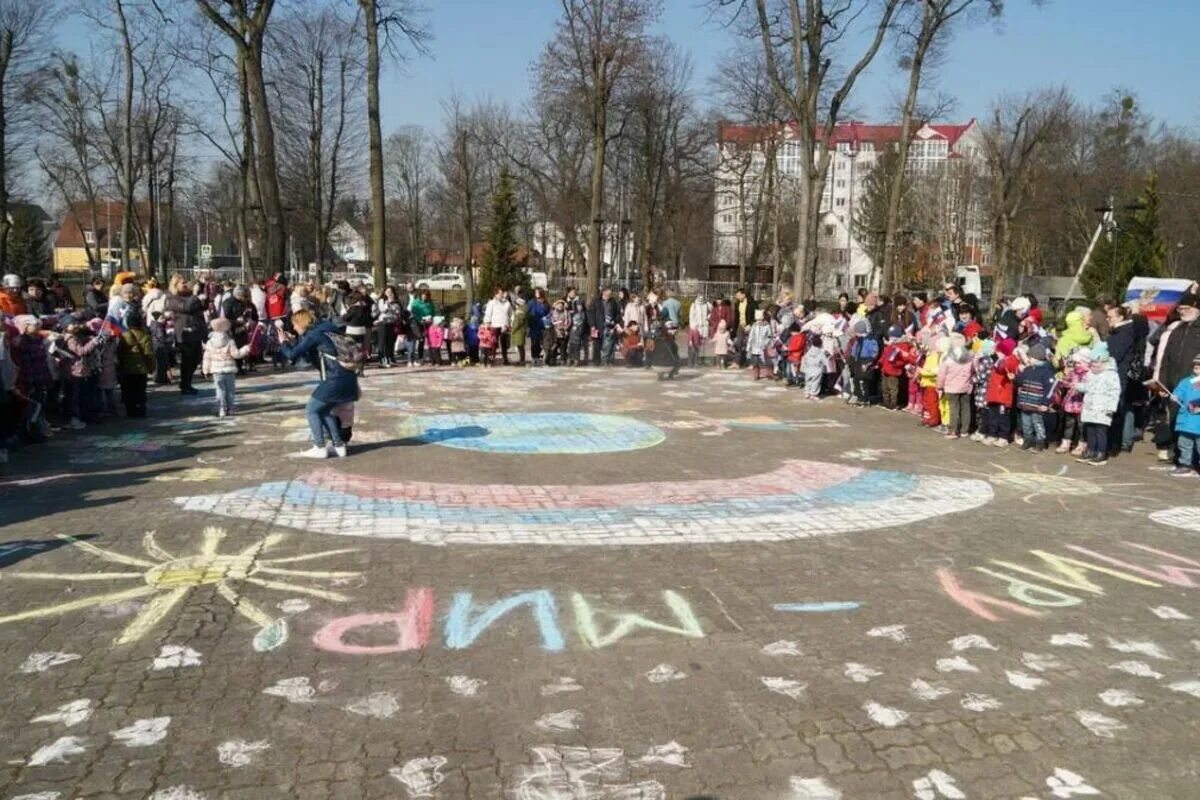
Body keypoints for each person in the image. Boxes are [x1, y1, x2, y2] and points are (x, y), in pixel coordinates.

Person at [279, 309, 359, 458]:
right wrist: (293, 342)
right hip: (348, 377)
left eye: (295, 325)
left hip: (334, 380)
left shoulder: (314, 335)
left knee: (311, 410)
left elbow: (292, 355)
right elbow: (306, 354)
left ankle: (320, 447)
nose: (295, 329)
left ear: (301, 322)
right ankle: (339, 446)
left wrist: (283, 342)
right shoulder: (327, 330)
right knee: (324, 410)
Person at [1076, 342, 1122, 466]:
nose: (1094, 365)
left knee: (1100, 431)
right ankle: (1091, 450)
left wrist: (1111, 407)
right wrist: (1078, 386)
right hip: (1090, 407)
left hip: (1102, 408)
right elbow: (1087, 387)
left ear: (1104, 362)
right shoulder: (1090, 374)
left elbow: (1115, 391)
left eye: (1097, 363)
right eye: (1092, 363)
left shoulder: (1111, 375)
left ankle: (1101, 453)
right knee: (1090, 430)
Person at [202, 318, 252, 418]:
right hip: (229, 370)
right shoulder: (230, 341)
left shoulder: (210, 343)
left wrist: (205, 370)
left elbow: (207, 357)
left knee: (220, 391)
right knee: (230, 391)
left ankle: (221, 409)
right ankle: (230, 408)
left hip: (216, 371)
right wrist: (245, 349)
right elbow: (236, 354)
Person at [163, 276, 205, 395]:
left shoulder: (189, 296)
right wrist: (195, 295)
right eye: (183, 283)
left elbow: (201, 306)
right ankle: (185, 384)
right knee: (187, 360)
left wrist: (201, 286)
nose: (186, 284)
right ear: (175, 285)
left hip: (195, 331)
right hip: (184, 333)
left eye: (186, 282)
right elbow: (187, 307)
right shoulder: (172, 298)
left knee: (196, 358)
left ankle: (187, 382)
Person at [1014, 342, 1055, 451]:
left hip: (1037, 404)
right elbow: (1020, 381)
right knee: (1026, 424)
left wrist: (1045, 403)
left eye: (1030, 357)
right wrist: (1016, 377)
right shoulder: (1028, 370)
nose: (1028, 359)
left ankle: (1040, 442)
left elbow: (1050, 389)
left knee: (1037, 423)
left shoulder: (1046, 372)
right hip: (1025, 402)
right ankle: (1028, 440)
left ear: (1036, 358)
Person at [118, 310, 155, 419]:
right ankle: (141, 411)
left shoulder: (123, 336)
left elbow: (119, 353)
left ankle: (130, 411)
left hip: (126, 369)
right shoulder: (145, 336)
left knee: (128, 390)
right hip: (141, 369)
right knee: (140, 391)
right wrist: (151, 368)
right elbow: (149, 354)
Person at [1168, 354, 1200, 477]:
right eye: (1195, 365)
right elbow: (1178, 392)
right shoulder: (1186, 381)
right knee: (1184, 444)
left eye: (1199, 365)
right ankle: (1186, 465)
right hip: (1186, 419)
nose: (1196, 367)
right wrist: (1174, 397)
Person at [587, 287, 621, 366]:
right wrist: (592, 325)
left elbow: (618, 313)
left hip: (610, 326)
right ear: (603, 293)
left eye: (610, 294)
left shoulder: (613, 302)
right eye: (608, 293)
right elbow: (591, 313)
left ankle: (608, 361)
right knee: (597, 344)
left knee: (610, 344)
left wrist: (615, 321)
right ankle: (596, 361)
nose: (609, 295)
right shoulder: (596, 301)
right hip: (598, 325)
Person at [483, 288, 514, 365]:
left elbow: (512, 314)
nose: (502, 295)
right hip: (495, 325)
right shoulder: (491, 303)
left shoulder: (507, 303)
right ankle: (491, 359)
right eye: (500, 293)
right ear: (496, 294)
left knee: (505, 344)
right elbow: (488, 314)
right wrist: (487, 322)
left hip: (505, 325)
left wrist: (512, 324)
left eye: (502, 293)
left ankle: (505, 359)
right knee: (493, 343)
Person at [688, 294, 712, 367]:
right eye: (699, 297)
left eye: (702, 297)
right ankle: (693, 361)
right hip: (696, 327)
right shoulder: (694, 305)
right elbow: (691, 316)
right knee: (695, 345)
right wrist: (693, 326)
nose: (701, 299)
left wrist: (708, 317)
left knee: (702, 345)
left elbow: (712, 311)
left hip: (704, 327)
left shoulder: (706, 304)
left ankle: (700, 360)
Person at [511, 297, 528, 366]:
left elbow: (517, 322)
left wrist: (513, 329)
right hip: (521, 331)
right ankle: (521, 360)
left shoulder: (520, 312)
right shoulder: (522, 311)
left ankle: (522, 361)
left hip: (519, 332)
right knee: (520, 346)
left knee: (520, 347)